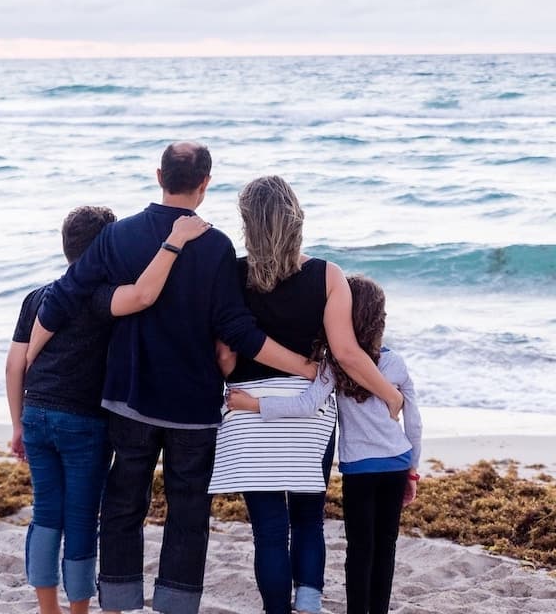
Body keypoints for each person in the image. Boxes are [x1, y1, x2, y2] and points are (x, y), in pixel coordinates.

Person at [27, 143, 316, 614]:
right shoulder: (217, 245)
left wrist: (28, 361)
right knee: (187, 515)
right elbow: (237, 329)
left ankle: (116, 605)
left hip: (129, 399)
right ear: (206, 183)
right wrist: (302, 366)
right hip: (193, 406)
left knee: (122, 505)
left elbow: (65, 295)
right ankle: (176, 607)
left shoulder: (117, 236)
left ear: (159, 174)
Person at [207, 177, 404, 614]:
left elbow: (223, 356)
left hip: (247, 413)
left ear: (247, 224)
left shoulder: (232, 275)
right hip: (309, 412)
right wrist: (390, 395)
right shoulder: (328, 275)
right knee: (309, 519)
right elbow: (348, 353)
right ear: (296, 219)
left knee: (269, 532)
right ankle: (310, 603)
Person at [6, 205, 211, 614]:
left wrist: (16, 424)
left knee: (46, 513)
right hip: (83, 423)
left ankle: (48, 608)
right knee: (81, 519)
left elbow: (15, 364)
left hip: (36, 415)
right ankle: (79, 610)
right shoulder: (100, 297)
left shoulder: (38, 297)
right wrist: (175, 241)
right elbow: (143, 295)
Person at [228, 275, 422, 614]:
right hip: (397, 463)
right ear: (380, 319)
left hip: (360, 471)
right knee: (386, 547)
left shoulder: (334, 364)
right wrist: (413, 469)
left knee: (360, 550)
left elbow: (306, 405)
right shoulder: (395, 362)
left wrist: (255, 405)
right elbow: (414, 422)